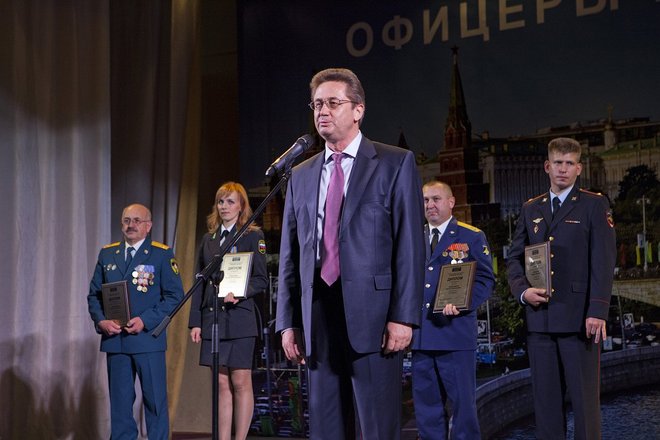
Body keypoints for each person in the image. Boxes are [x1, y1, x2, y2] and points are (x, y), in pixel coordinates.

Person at [275, 67, 425, 440]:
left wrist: (403, 317)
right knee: (326, 428)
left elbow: (409, 246)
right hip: (317, 319)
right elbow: (291, 255)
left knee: (376, 428)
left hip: (375, 320)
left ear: (358, 110)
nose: (323, 111)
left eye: (333, 103)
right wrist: (287, 322)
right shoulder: (300, 174)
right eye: (317, 104)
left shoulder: (394, 163)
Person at [507, 137, 616, 439]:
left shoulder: (594, 204)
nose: (563, 169)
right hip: (540, 321)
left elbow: (603, 261)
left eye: (570, 163)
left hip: (579, 321)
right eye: (558, 163)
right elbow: (514, 258)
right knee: (545, 408)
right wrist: (522, 292)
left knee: (585, 407)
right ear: (547, 166)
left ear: (579, 168)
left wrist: (598, 311)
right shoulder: (531, 208)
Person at [88, 203, 184, 440]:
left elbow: (175, 296)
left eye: (136, 221)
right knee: (120, 404)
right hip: (116, 340)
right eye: (126, 220)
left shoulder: (161, 254)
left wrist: (146, 320)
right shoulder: (107, 254)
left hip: (147, 339)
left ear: (148, 226)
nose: (130, 225)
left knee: (155, 402)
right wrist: (101, 321)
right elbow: (94, 295)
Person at [411, 181, 495, 439]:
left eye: (436, 199)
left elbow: (485, 280)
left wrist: (462, 303)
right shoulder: (413, 236)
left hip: (455, 336)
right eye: (426, 200)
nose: (430, 205)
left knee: (463, 414)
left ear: (451, 202)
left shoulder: (471, 236)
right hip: (421, 338)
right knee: (426, 414)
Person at [188, 182, 268, 440]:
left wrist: (241, 292)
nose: (224, 206)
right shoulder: (208, 239)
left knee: (241, 381)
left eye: (230, 201)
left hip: (240, 318)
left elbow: (261, 279)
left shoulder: (252, 235)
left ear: (241, 206)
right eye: (221, 201)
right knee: (221, 384)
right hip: (213, 319)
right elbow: (199, 282)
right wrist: (196, 322)